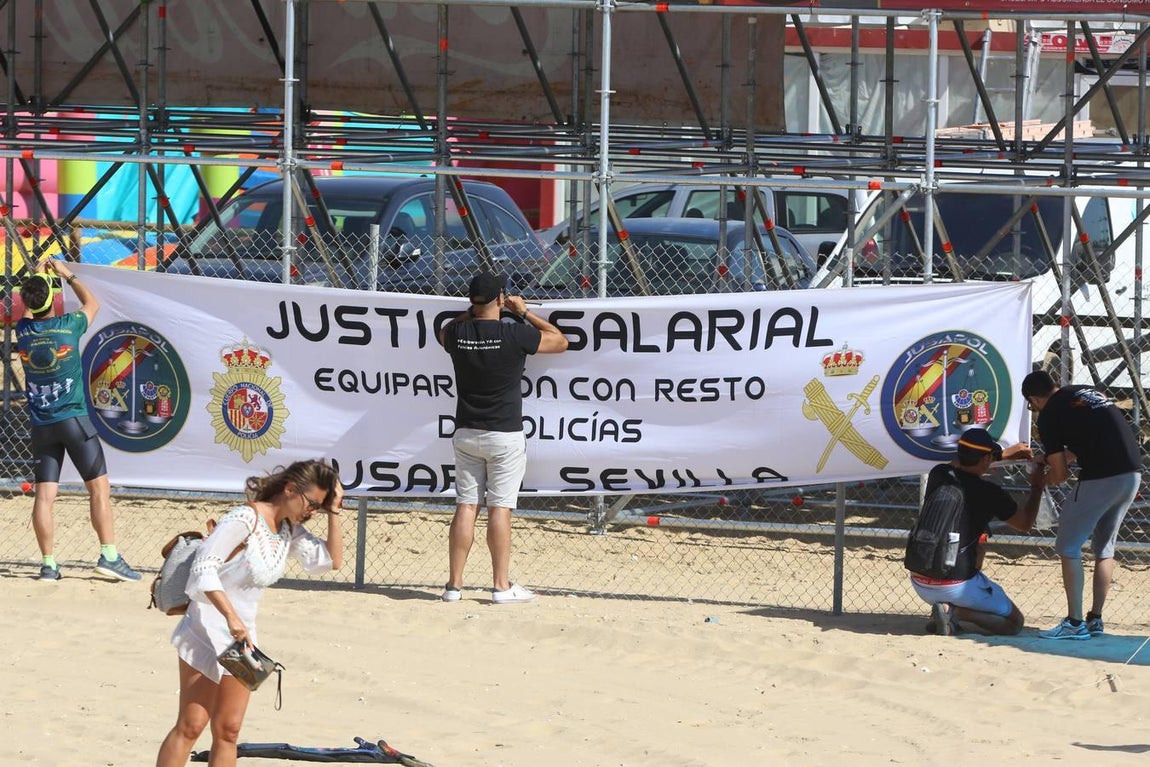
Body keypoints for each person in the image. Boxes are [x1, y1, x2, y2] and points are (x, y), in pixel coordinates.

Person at [155, 459, 344, 767]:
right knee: (191, 726)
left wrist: (334, 511)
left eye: (319, 508)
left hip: (242, 640)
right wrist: (230, 617)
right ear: (290, 489)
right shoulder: (245, 518)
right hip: (206, 627)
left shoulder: (288, 531)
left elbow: (330, 561)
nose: (312, 512)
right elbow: (204, 568)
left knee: (228, 731)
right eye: (312, 504)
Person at [438, 271, 568, 604]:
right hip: (504, 433)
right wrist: (522, 311)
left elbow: (444, 331)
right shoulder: (516, 334)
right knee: (500, 508)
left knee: (466, 506)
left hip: (466, 430)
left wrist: (473, 311)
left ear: (472, 301)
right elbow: (559, 340)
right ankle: (500, 585)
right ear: (501, 299)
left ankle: (454, 586)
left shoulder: (456, 333)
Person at [15, 258, 140, 582]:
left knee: (45, 496)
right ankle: (109, 555)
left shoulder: (24, 331)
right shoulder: (69, 325)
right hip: (74, 421)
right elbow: (92, 302)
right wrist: (65, 274)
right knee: (99, 489)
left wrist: (37, 280)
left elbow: (28, 312)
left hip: (42, 426)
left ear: (27, 303)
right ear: (52, 300)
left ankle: (48, 564)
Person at [1020, 370, 1142, 640]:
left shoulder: (1050, 415)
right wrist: (1054, 457)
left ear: (1034, 400)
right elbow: (1092, 438)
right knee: (1104, 548)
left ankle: (1074, 623)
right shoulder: (1084, 392)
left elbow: (1061, 475)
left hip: (1101, 478)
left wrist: (1042, 477)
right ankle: (1095, 619)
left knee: (1067, 546)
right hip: (1132, 475)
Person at [908, 428, 1044, 636]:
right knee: (1014, 623)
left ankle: (948, 617)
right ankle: (955, 611)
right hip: (956, 584)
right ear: (987, 458)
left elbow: (956, 464)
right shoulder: (990, 493)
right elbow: (1025, 523)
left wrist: (1000, 455)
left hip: (920, 579)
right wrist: (1037, 488)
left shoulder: (939, 474)